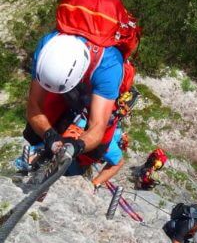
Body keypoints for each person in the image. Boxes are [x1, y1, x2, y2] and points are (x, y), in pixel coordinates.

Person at [23, 31, 125, 188]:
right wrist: (48, 134)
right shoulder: (48, 46)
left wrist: (77, 147)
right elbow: (33, 105)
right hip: (69, 91)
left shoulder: (109, 66)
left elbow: (98, 127)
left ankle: (68, 174)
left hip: (97, 94)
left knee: (94, 150)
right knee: (36, 130)